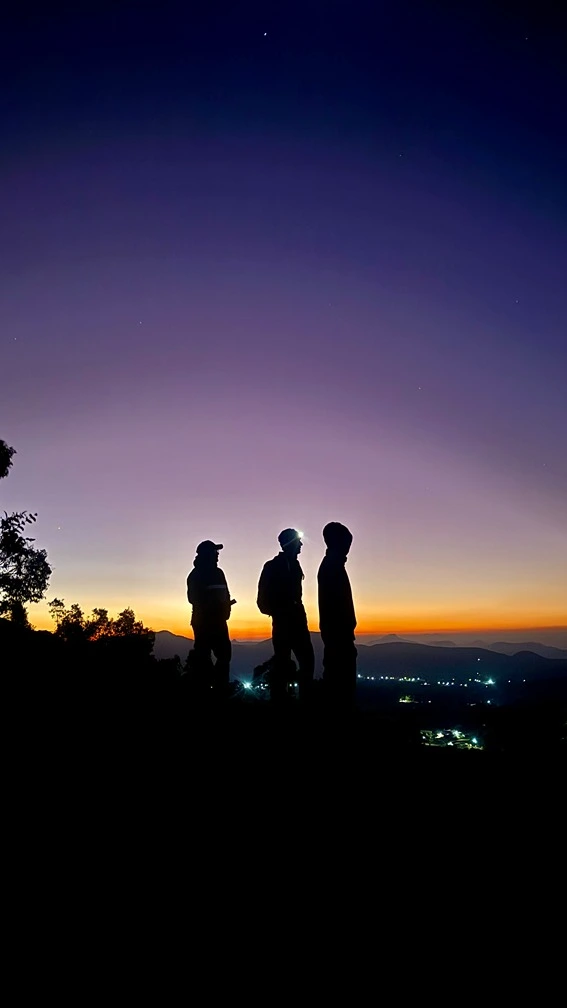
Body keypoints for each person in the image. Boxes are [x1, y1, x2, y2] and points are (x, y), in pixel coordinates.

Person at [257, 529, 315, 703]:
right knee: (286, 665)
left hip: (296, 622)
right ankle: (283, 703)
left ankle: (298, 701)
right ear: (290, 543)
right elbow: (262, 602)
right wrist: (282, 611)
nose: (301, 545)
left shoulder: (294, 565)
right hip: (284, 624)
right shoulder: (273, 566)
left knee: (303, 663)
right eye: (298, 542)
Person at [187, 540, 235, 695]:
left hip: (219, 621)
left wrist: (225, 609)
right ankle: (204, 690)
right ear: (208, 554)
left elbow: (225, 594)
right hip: (204, 623)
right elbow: (194, 599)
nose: (218, 555)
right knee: (203, 657)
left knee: (224, 655)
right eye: (215, 552)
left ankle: (220, 689)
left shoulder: (218, 573)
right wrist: (214, 608)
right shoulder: (196, 575)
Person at [317, 522, 357, 709]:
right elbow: (335, 605)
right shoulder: (332, 567)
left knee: (339, 683)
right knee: (340, 686)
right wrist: (344, 630)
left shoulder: (333, 565)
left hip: (338, 635)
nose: (349, 547)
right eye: (346, 542)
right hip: (338, 637)